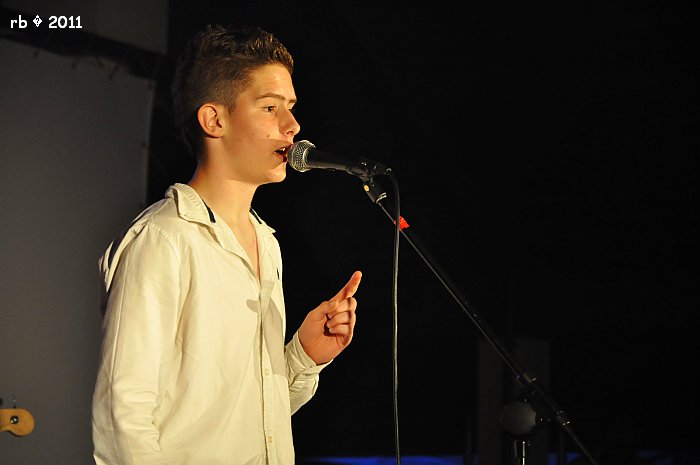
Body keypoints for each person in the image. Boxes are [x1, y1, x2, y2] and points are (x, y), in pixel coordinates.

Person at [91, 24, 363, 465]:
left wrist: (302, 358)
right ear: (214, 120)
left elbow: (244, 420)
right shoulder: (164, 239)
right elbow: (122, 417)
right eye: (270, 107)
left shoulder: (265, 243)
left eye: (291, 108)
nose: (292, 126)